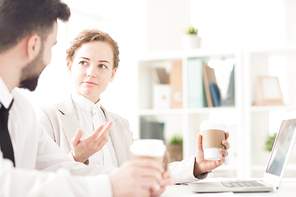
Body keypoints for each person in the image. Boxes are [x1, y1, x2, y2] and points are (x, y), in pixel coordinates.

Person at [0, 0, 173, 196]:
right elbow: (5, 182)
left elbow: (61, 167)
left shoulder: (21, 110)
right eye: (51, 47)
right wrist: (110, 186)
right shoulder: (42, 114)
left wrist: (135, 178)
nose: (49, 59)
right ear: (33, 46)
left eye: (102, 65)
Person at [38, 29, 231, 183]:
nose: (91, 72)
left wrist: (197, 165)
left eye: (102, 66)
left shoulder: (120, 124)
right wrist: (75, 158)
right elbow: (36, 179)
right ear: (70, 66)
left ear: (112, 74)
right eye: (83, 62)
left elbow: (147, 172)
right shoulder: (48, 117)